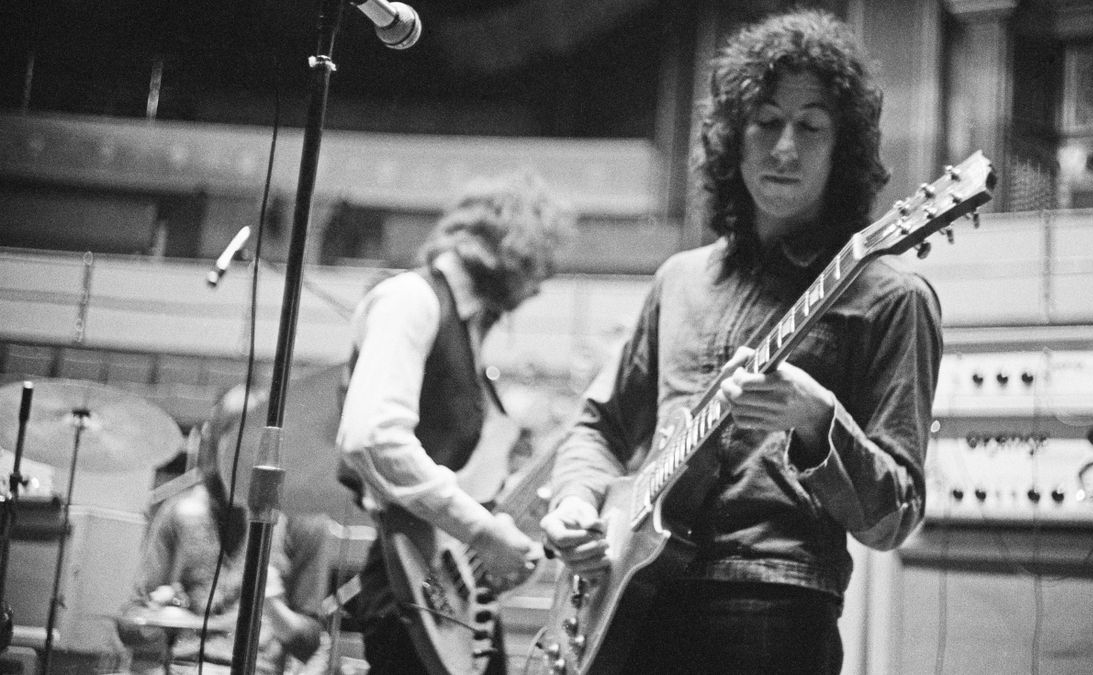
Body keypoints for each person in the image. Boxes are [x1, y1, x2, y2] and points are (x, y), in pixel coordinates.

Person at [539, 9, 942, 675]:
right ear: (732, 135)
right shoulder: (679, 279)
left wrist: (816, 420)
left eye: (811, 126)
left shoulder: (890, 296)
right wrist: (577, 501)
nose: (786, 146)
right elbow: (600, 421)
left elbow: (893, 515)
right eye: (766, 120)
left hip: (775, 604)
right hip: (627, 595)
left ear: (843, 148)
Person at [335, 170, 574, 673]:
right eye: (539, 269)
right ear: (513, 250)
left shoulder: (467, 333)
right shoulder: (411, 299)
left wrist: (499, 543)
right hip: (409, 582)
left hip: (444, 587)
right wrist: (485, 534)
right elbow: (372, 436)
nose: (538, 289)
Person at [117, 388, 326, 675]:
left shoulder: (303, 523)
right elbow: (130, 625)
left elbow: (309, 644)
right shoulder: (179, 513)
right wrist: (154, 614)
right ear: (212, 443)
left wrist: (275, 608)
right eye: (230, 447)